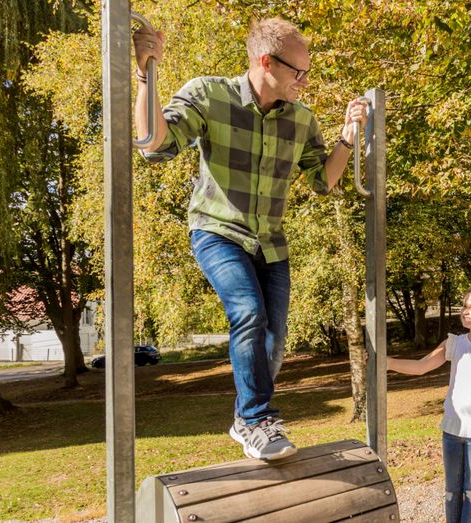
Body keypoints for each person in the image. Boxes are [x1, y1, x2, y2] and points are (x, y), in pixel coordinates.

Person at [132, 18, 369, 461]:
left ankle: (245, 419)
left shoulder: (301, 119)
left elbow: (324, 180)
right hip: (217, 231)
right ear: (266, 62)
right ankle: (260, 419)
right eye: (298, 72)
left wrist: (347, 137)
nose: (304, 81)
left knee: (274, 339)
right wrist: (147, 73)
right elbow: (152, 143)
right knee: (248, 311)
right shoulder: (209, 94)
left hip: (271, 244)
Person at [387, 287, 471, 523]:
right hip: (452, 430)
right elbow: (421, 366)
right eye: (464, 305)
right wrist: (387, 362)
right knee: (451, 491)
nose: (464, 311)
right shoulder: (454, 343)